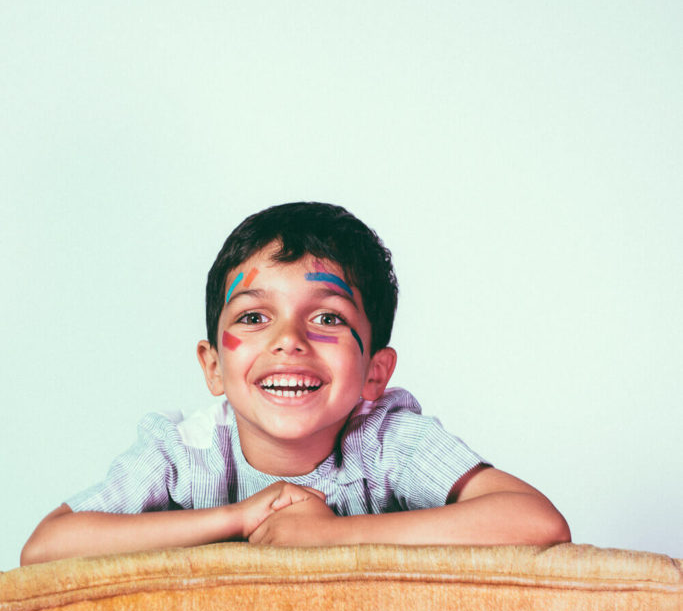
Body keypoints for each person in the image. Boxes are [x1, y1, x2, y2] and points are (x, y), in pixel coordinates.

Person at [21, 201, 570, 564]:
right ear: (213, 365)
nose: (290, 340)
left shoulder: (387, 443)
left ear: (375, 372)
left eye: (328, 318)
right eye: (254, 318)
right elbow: (47, 546)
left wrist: (331, 535)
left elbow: (536, 520)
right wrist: (239, 518)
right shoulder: (181, 453)